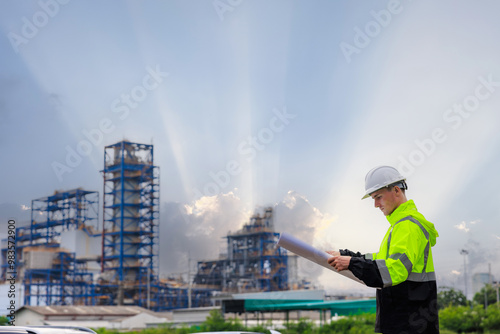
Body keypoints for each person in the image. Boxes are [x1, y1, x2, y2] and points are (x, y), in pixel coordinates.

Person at [327, 166, 439, 334]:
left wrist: (352, 263)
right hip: (406, 322)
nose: (375, 205)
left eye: (378, 197)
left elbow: (393, 271)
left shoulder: (407, 227)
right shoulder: (400, 226)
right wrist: (346, 256)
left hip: (409, 324)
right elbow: (381, 259)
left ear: (396, 190)